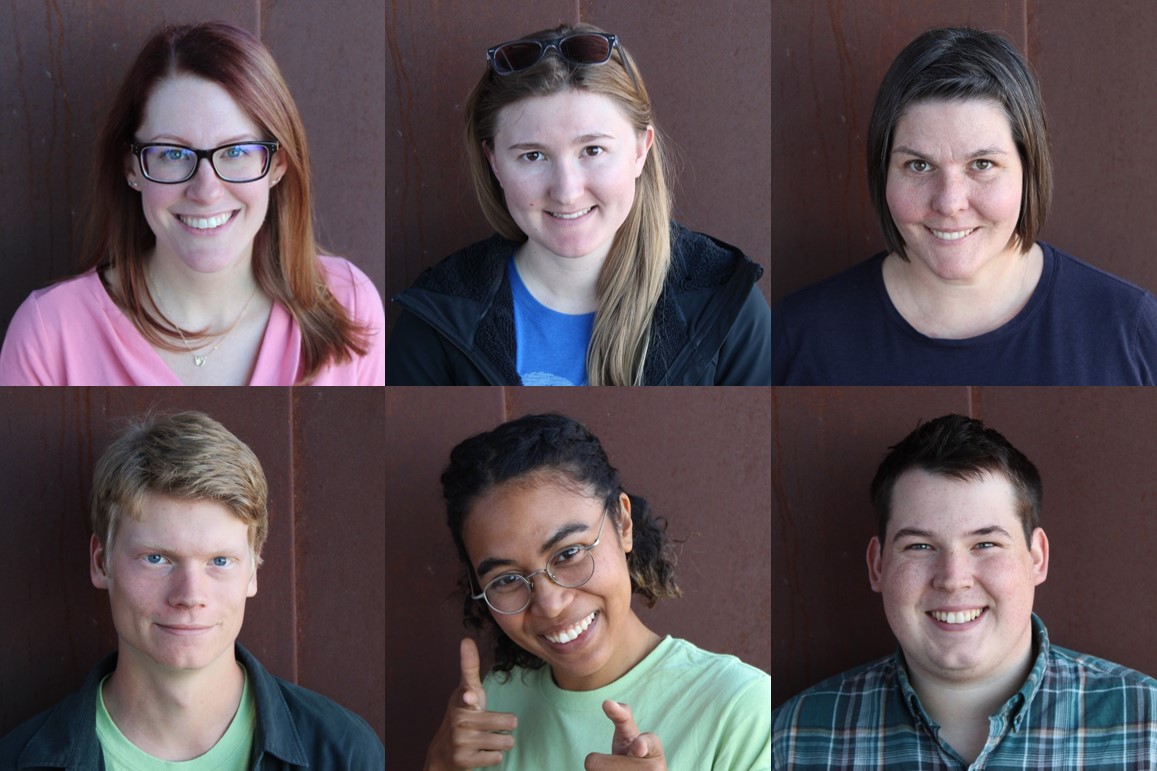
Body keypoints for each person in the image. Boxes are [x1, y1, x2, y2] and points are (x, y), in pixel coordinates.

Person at [0, 22, 385, 385]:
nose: (206, 190)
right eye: (172, 154)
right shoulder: (48, 335)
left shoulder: (349, 303)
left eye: (235, 151)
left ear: (277, 165)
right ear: (131, 166)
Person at [386, 23, 771, 385]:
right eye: (533, 156)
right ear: (495, 164)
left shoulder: (727, 306)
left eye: (593, 149)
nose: (567, 192)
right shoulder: (435, 320)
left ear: (641, 151)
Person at [772, 27, 1157, 384]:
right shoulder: (797, 336)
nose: (950, 202)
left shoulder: (1129, 330)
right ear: (883, 172)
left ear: (1030, 168)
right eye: (919, 165)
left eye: (982, 165)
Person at [0, 412, 385, 768]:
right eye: (157, 558)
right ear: (101, 562)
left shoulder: (344, 752)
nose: (190, 595)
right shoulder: (16, 760)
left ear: (252, 571)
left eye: (219, 561)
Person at [772, 414, 1157, 769]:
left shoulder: (1148, 726)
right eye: (920, 546)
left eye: (986, 544)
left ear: (1036, 558)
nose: (953, 578)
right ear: (877, 565)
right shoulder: (796, 738)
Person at [424, 414, 770, 769]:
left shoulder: (741, 708)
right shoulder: (490, 708)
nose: (550, 604)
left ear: (622, 523)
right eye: (507, 580)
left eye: (569, 553)